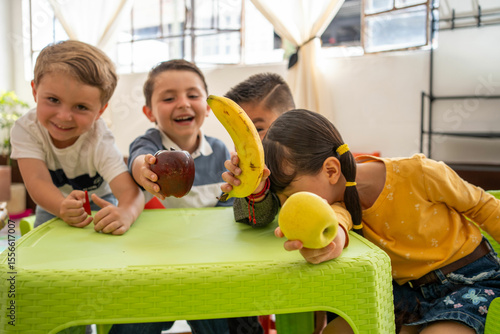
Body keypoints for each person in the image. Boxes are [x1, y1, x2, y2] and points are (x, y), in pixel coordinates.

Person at [226, 108, 500, 334]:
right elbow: (337, 227)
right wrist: (329, 244)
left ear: (331, 170)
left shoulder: (421, 173)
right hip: (404, 292)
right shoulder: (337, 204)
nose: (287, 207)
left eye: (291, 195)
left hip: (469, 280)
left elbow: (484, 207)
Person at [109, 60, 263, 334]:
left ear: (206, 106)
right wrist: (144, 168)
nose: (183, 103)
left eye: (193, 95)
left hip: (208, 266)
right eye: (169, 98)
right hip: (153, 267)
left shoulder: (220, 152)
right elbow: (137, 158)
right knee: (131, 322)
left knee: (227, 318)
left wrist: (237, 186)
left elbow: (225, 206)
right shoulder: (149, 146)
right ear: (149, 112)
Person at [10, 40, 144, 234]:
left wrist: (126, 213)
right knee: (42, 256)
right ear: (34, 91)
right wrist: (61, 205)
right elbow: (37, 180)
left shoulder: (99, 138)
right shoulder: (26, 129)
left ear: (100, 111)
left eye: (81, 107)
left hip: (100, 203)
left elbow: (129, 191)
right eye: (53, 100)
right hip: (52, 204)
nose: (64, 116)